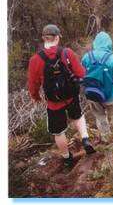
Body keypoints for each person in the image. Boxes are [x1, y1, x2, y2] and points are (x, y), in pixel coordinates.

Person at [27, 24, 95, 168]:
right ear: (57, 38)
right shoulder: (67, 53)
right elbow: (81, 73)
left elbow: (33, 84)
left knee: (58, 132)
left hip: (53, 101)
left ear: (44, 39)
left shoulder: (35, 60)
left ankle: (67, 158)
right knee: (77, 116)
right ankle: (85, 139)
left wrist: (36, 97)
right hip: (71, 96)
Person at [81, 32, 113, 143]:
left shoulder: (86, 57)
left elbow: (81, 76)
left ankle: (106, 138)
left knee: (100, 117)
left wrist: (83, 92)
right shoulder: (111, 58)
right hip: (110, 95)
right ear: (108, 43)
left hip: (93, 95)